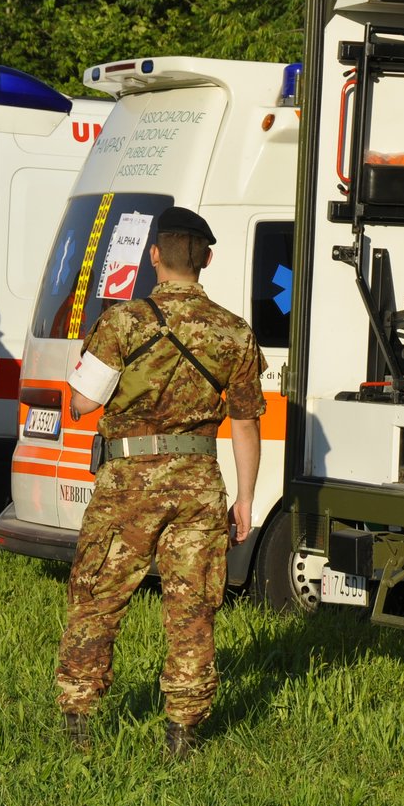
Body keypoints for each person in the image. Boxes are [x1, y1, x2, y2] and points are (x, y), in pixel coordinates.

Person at [54, 205, 265, 759]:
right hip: (199, 483)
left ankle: (78, 724)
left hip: (128, 481)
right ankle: (183, 733)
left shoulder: (122, 322)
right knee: (192, 607)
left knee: (97, 597)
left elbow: (80, 403)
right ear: (208, 259)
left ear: (154, 256)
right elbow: (244, 422)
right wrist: (245, 498)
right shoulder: (234, 332)